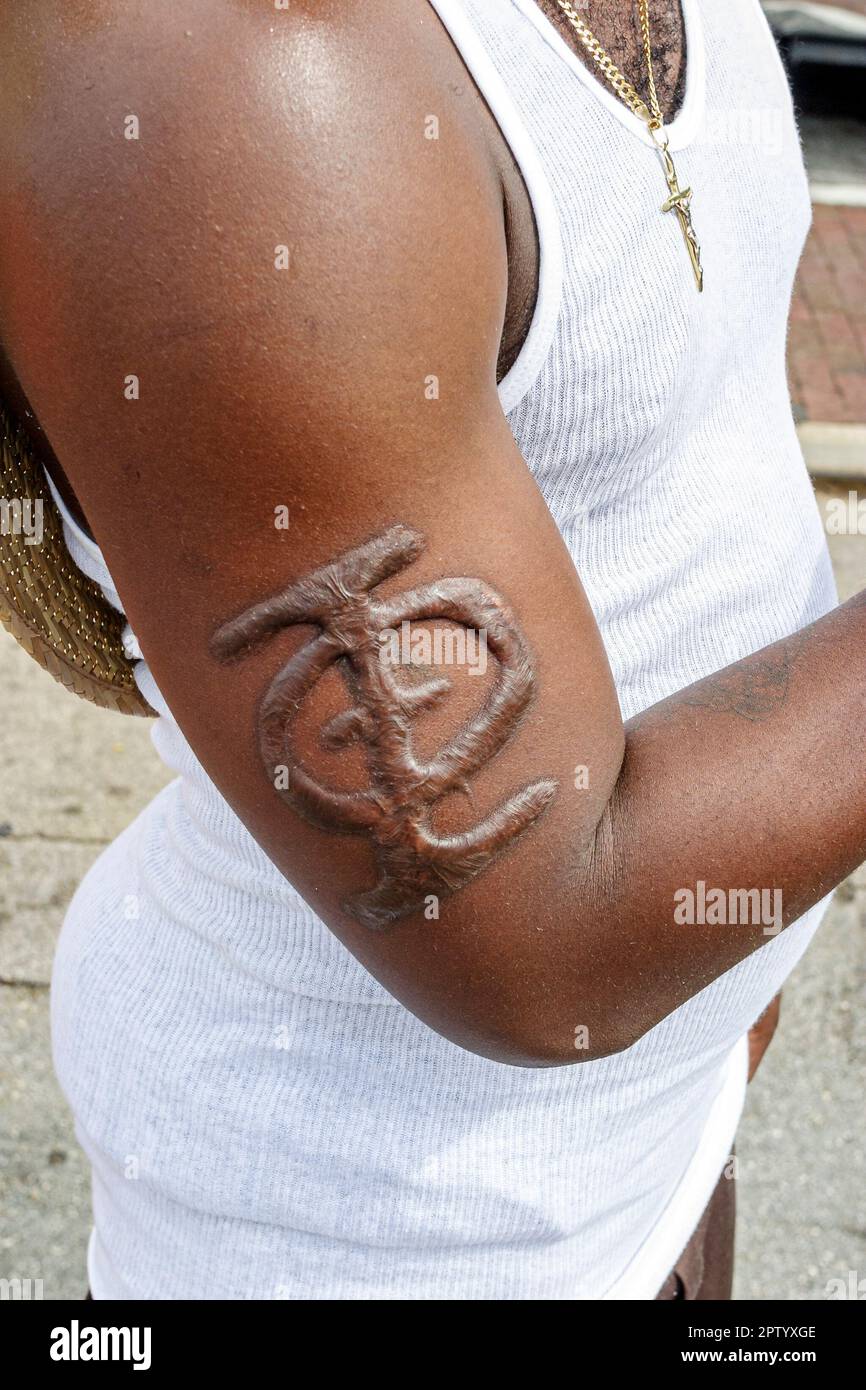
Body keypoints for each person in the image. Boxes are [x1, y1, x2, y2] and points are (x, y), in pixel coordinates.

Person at [0, 0, 855, 1300]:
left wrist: (724, 1033)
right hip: (401, 1229)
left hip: (657, 1117)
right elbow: (553, 940)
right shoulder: (233, 77)